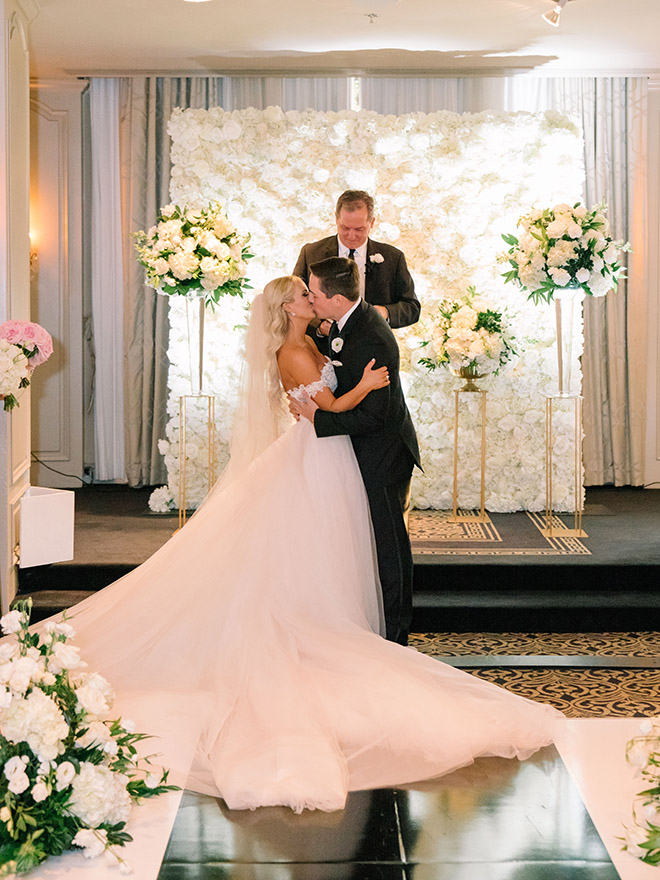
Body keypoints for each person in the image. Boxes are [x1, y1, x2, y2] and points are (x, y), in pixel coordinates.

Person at [15, 275, 563, 815]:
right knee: (309, 545)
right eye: (304, 295)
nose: (311, 298)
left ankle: (325, 617)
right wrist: (369, 388)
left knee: (320, 546)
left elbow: (323, 398)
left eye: (313, 291)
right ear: (290, 307)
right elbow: (329, 410)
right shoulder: (293, 352)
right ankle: (315, 624)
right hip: (319, 455)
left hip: (326, 457)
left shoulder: (309, 341)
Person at [290, 258, 419, 646]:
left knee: (389, 545)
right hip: (358, 451)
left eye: (314, 294)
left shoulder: (372, 337)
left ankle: (396, 636)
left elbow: (374, 417)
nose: (311, 299)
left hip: (383, 452)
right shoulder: (345, 324)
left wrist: (317, 419)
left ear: (337, 297)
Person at [292, 190, 420, 339]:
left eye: (359, 229)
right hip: (322, 348)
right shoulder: (311, 253)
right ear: (336, 218)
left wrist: (384, 312)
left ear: (371, 222)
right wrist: (319, 326)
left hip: (374, 346)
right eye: (345, 228)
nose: (351, 236)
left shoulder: (393, 257)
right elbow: (294, 302)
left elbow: (412, 308)